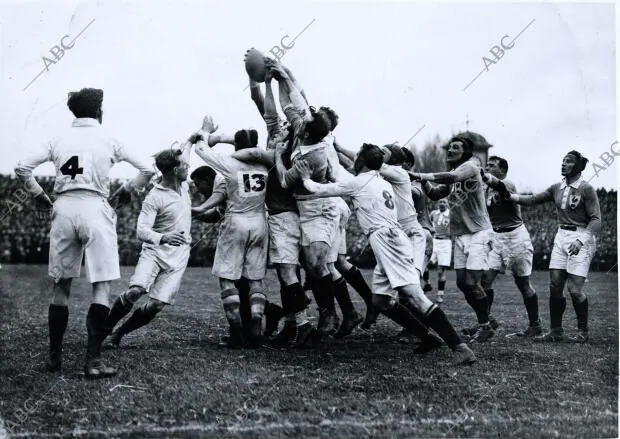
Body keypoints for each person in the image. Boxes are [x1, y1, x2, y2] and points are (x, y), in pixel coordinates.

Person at [14, 88, 154, 378]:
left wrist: (39, 195)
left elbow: (22, 167)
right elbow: (147, 169)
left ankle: (54, 359)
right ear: (99, 111)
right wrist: (125, 190)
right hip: (95, 206)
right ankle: (93, 362)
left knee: (61, 285)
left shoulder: (58, 139)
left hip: (64, 207)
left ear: (74, 112)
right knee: (101, 285)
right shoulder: (109, 138)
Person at [296, 143, 476, 365]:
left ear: (362, 161)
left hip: (389, 238)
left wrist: (304, 177)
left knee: (414, 296)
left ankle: (459, 347)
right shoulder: (381, 180)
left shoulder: (370, 179)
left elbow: (319, 189)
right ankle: (427, 337)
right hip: (390, 237)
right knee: (380, 300)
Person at [409, 136, 495, 343]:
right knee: (462, 284)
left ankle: (485, 326)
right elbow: (438, 194)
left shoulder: (471, 166)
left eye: (456, 147)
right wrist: (424, 182)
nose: (451, 150)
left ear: (467, 152)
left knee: (472, 282)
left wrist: (419, 173)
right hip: (460, 234)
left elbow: (449, 177)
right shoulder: (456, 172)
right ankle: (487, 320)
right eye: (450, 147)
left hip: (479, 232)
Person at [192, 118, 270, 348]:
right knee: (255, 278)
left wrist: (206, 132)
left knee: (228, 279)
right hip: (260, 222)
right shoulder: (266, 165)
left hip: (236, 221)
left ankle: (236, 331)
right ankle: (256, 318)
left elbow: (200, 149)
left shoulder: (230, 165)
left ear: (236, 148)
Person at [104, 147, 193, 347]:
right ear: (173, 170)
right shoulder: (154, 196)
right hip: (154, 252)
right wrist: (164, 237)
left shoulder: (184, 187)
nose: (188, 166)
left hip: (179, 255)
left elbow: (183, 154)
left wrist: (196, 137)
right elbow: (141, 231)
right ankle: (106, 327)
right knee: (135, 291)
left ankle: (119, 334)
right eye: (184, 165)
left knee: (156, 305)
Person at [510, 150, 601, 342]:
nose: (563, 164)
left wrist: (580, 240)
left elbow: (596, 220)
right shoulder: (556, 187)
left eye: (568, 162)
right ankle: (556, 331)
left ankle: (583, 332)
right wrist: (511, 196)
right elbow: (533, 200)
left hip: (581, 236)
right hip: (561, 236)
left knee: (575, 290)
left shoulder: (586, 189)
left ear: (577, 166)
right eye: (563, 160)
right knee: (555, 286)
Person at [479, 156, 541, 337]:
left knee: (522, 283)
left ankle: (535, 324)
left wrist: (485, 178)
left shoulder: (508, 184)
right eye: (487, 165)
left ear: (503, 170)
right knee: (485, 280)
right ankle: (486, 322)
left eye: (492, 165)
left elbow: (501, 188)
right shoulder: (486, 189)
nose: (488, 167)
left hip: (515, 237)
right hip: (497, 237)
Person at [429, 200, 452, 303]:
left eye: (444, 202)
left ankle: (440, 294)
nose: (442, 203)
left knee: (440, 271)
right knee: (424, 263)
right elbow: (428, 223)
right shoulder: (433, 213)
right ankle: (427, 283)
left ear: (447, 204)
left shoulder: (451, 214)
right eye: (440, 202)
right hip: (434, 241)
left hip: (445, 243)